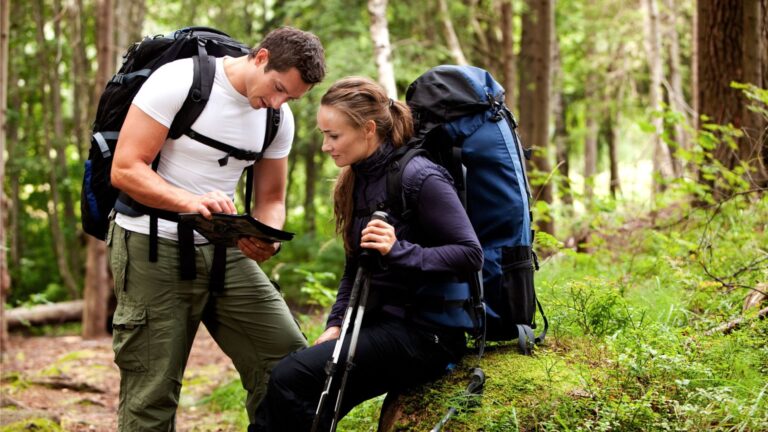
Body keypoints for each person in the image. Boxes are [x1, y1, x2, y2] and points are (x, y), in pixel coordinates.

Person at [107, 26, 326, 430]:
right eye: (277, 88)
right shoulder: (180, 80)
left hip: (224, 251)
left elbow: (272, 199)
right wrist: (190, 201)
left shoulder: (278, 117)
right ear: (260, 57)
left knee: (288, 359)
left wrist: (266, 236)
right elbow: (125, 169)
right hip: (151, 241)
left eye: (290, 97)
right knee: (152, 388)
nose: (276, 102)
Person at [251, 77, 483, 431]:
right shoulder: (359, 178)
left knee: (289, 376)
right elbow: (355, 269)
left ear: (368, 129)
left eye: (334, 135)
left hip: (427, 335)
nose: (326, 146)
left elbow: (470, 254)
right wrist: (335, 324)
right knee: (314, 402)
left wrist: (399, 250)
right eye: (323, 134)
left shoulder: (419, 176)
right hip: (383, 325)